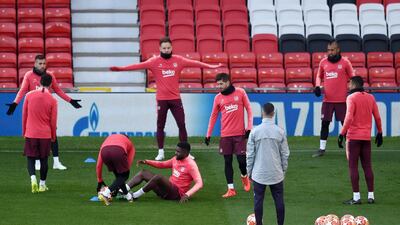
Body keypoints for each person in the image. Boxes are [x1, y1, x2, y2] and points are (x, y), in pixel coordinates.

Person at [110, 37, 221, 161]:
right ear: (160, 48)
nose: (167, 50)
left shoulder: (179, 60)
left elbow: (196, 63)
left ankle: (186, 152)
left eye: (168, 48)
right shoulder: (154, 62)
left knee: (182, 125)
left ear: (171, 48)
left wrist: (211, 66)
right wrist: (121, 69)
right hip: (162, 100)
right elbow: (137, 65)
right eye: (164, 48)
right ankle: (161, 152)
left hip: (175, 99)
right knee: (160, 126)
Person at [6, 54, 82, 170]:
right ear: (35, 64)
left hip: (46, 109)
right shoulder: (28, 75)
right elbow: (22, 91)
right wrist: (15, 103)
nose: (42, 66)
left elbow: (58, 90)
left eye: (44, 63)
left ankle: (56, 162)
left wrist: (70, 100)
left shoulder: (50, 75)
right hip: (34, 110)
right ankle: (36, 162)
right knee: (34, 136)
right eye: (40, 63)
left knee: (52, 133)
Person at [205, 73, 253, 198]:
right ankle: (231, 189)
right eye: (218, 84)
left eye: (221, 84)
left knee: (242, 161)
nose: (219, 86)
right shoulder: (218, 98)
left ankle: (244, 176)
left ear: (227, 82)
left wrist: (249, 127)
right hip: (225, 135)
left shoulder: (240, 92)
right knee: (227, 161)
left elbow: (249, 109)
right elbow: (213, 116)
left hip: (240, 134)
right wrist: (208, 134)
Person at [338, 76, 383, 205]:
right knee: (367, 166)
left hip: (353, 137)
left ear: (353, 84)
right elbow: (378, 117)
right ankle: (371, 196)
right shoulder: (370, 97)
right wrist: (380, 132)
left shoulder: (351, 98)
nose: (348, 86)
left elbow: (349, 117)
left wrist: (342, 133)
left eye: (349, 84)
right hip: (366, 137)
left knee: (353, 166)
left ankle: (356, 197)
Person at [246, 103, 290, 225]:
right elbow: (285, 154)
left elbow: (250, 155)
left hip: (259, 173)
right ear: (273, 114)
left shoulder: (255, 132)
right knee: (279, 200)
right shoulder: (280, 132)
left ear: (262, 113)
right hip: (276, 173)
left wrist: (249, 172)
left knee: (258, 200)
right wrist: (283, 170)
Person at [313, 40, 355, 157]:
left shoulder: (345, 62)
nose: (329, 52)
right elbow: (318, 76)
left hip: (342, 100)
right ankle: (322, 149)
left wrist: (353, 90)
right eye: (328, 50)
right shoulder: (323, 62)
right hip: (327, 100)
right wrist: (317, 86)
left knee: (345, 124)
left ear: (338, 50)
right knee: (325, 124)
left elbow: (353, 78)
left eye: (332, 50)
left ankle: (350, 148)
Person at [126, 142, 202, 203]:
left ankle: (134, 196)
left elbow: (199, 183)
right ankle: (123, 190)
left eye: (178, 152)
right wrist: (147, 162)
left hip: (176, 194)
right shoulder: (176, 158)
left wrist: (187, 194)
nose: (175, 153)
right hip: (166, 190)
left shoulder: (191, 165)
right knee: (144, 173)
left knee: (159, 177)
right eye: (176, 150)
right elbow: (162, 164)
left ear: (186, 152)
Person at [22, 74, 57, 193]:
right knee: (44, 160)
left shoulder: (29, 95)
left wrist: (24, 131)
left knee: (30, 158)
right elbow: (53, 121)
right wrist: (53, 136)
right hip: (45, 134)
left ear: (39, 82)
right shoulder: (52, 100)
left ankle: (33, 179)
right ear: (51, 84)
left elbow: (24, 115)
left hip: (31, 132)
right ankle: (42, 185)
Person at [96, 134, 136, 206]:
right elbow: (127, 166)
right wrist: (116, 186)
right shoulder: (130, 144)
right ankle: (106, 193)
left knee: (119, 177)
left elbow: (98, 165)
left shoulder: (109, 138)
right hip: (118, 151)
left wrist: (99, 180)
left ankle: (128, 196)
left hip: (104, 152)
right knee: (124, 175)